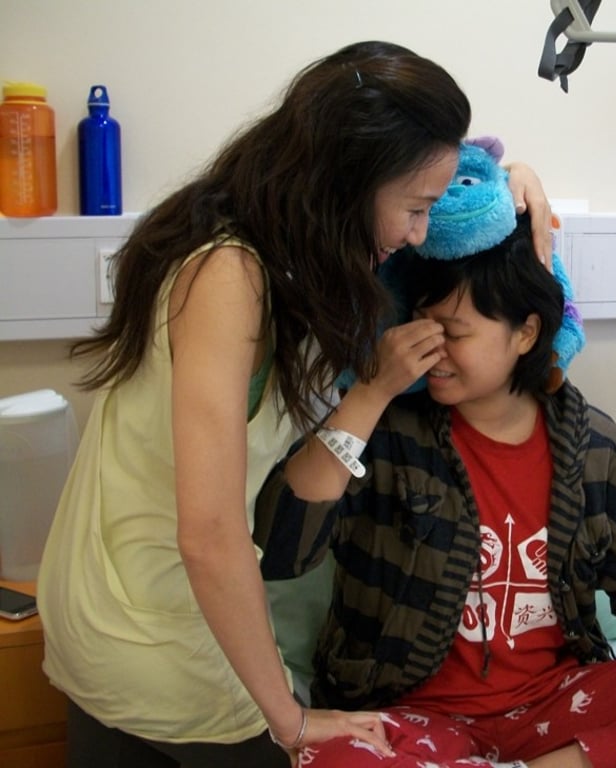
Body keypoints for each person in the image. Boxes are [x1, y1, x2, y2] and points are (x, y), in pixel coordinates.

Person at [37, 40, 552, 768]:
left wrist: (511, 178)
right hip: (153, 634)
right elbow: (211, 533)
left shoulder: (253, 238)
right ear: (348, 181)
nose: (417, 233)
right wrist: (292, 719)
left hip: (106, 610)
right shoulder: (229, 274)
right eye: (414, 209)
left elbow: (428, 164)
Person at [255, 204, 616, 768]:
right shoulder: (384, 433)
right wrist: (370, 393)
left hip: (559, 707)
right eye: (419, 326)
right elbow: (282, 546)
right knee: (332, 759)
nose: (429, 350)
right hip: (411, 716)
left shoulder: (592, 450)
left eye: (453, 333)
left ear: (526, 333)